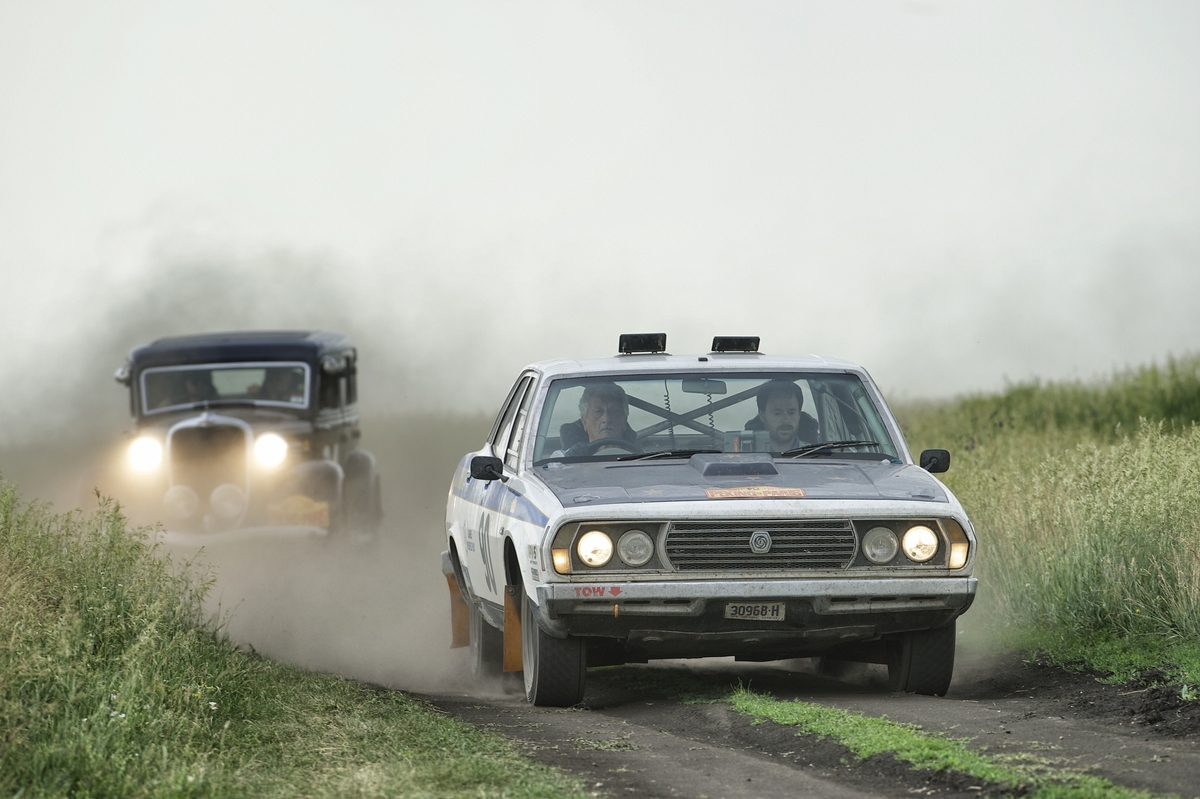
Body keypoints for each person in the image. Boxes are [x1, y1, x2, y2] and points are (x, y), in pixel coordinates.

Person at [559, 382, 637, 456]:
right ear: (584, 422)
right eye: (598, 412)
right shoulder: (562, 459)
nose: (606, 419)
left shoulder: (643, 458)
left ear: (624, 420)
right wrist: (570, 461)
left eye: (614, 412)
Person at [755, 380, 818, 452]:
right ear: (762, 415)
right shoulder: (748, 455)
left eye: (791, 413)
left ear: (799, 414)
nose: (785, 420)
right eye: (777, 413)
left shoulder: (814, 455)